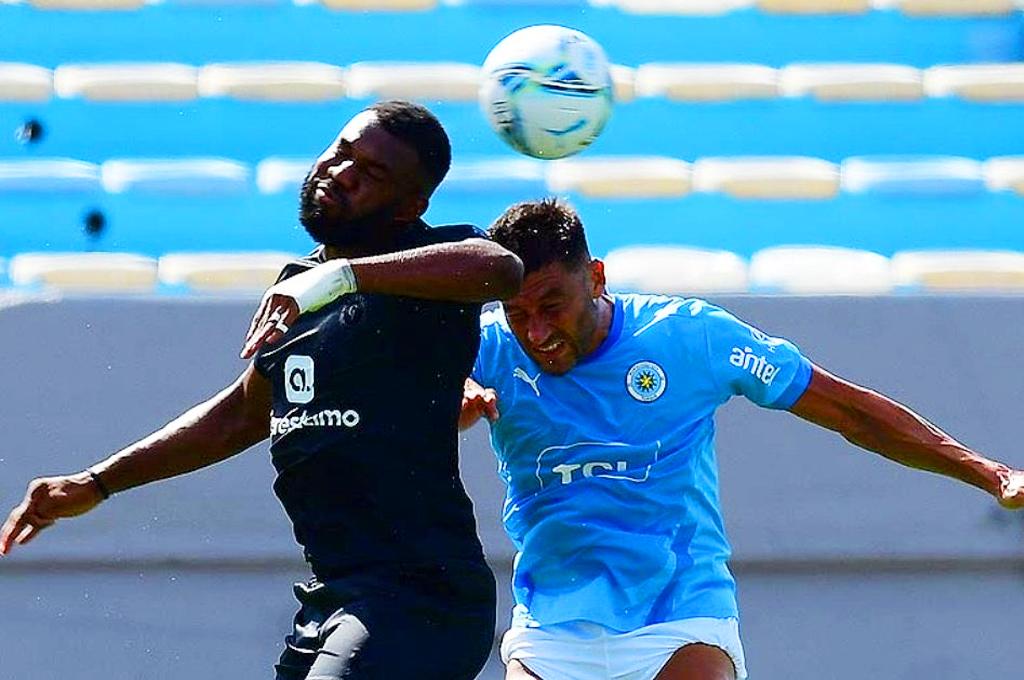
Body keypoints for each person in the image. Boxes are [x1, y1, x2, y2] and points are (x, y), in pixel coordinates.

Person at [0, 100, 524, 680]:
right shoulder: (297, 286)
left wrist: (345, 274)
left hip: (420, 597)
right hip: (334, 598)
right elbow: (239, 415)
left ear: (410, 207)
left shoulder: (427, 265)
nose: (342, 173)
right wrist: (96, 483)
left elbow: (499, 267)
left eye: (372, 174)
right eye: (343, 152)